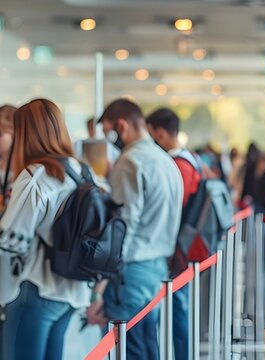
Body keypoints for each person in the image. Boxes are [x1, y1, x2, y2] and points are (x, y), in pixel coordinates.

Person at [0, 99, 94, 360]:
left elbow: (10, 241)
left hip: (37, 289)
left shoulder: (35, 176)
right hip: (71, 291)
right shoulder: (82, 171)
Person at [86, 99, 183, 358]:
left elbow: (122, 229)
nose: (109, 140)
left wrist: (99, 288)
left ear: (121, 125)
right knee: (149, 345)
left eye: (109, 132)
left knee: (132, 350)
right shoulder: (165, 160)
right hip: (157, 268)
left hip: (131, 273)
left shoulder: (130, 161)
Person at [145, 107, 201, 360]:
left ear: (159, 133)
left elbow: (172, 209)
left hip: (176, 249)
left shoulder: (177, 165)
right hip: (184, 247)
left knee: (178, 309)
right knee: (179, 307)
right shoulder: (191, 160)